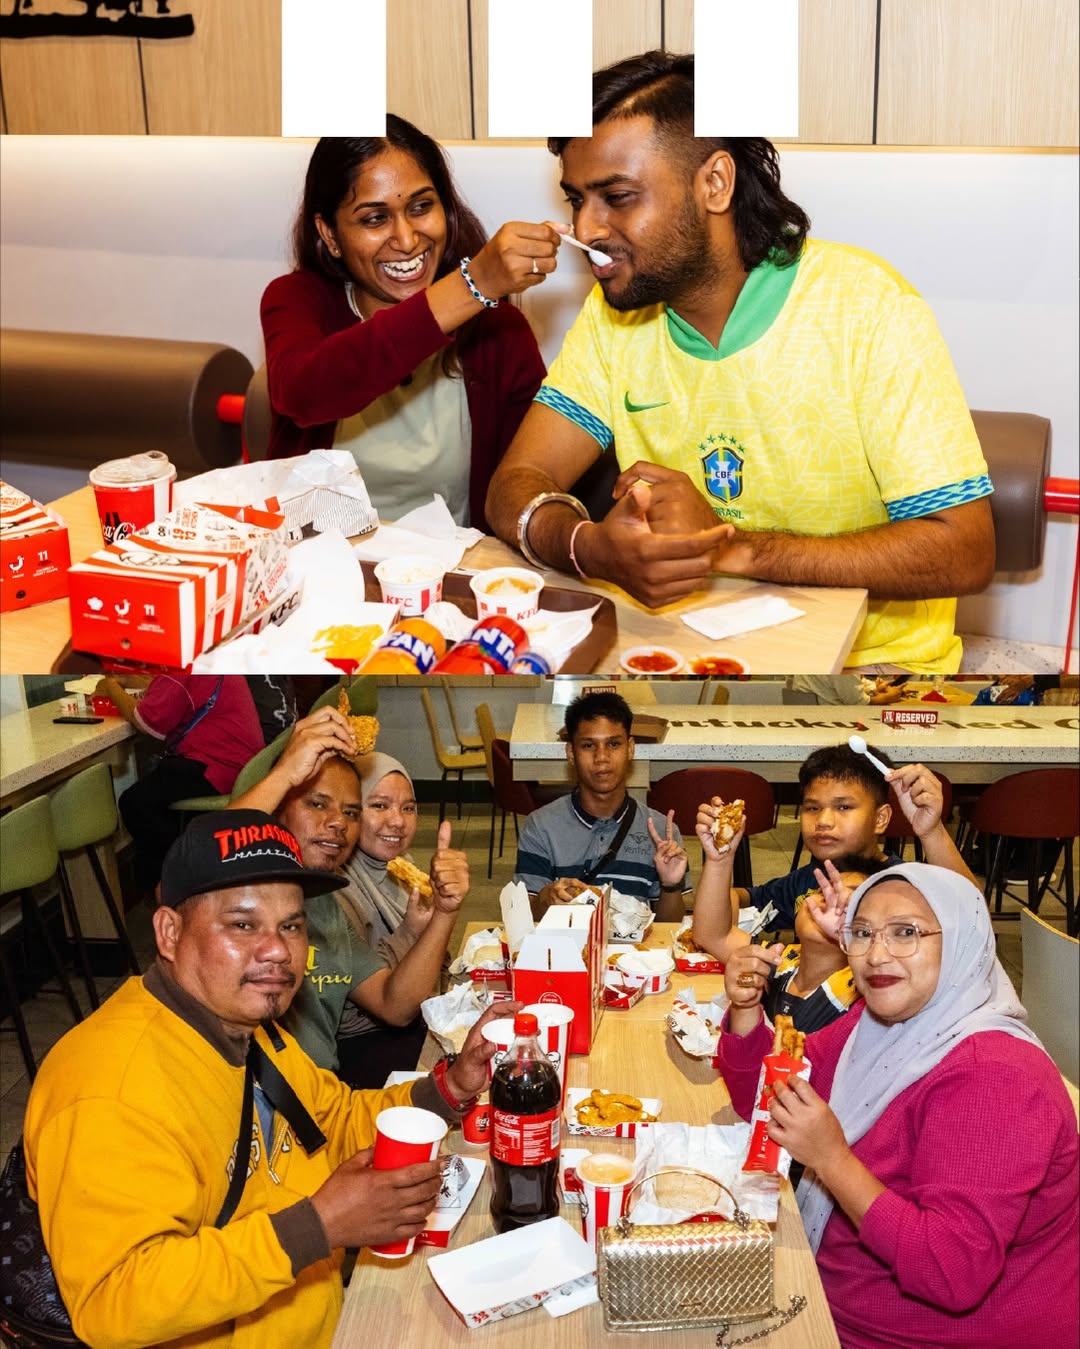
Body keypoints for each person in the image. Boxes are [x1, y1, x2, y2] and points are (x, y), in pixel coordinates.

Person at [484, 50, 995, 673]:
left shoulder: (866, 306)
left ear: (715, 184)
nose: (585, 228)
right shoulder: (614, 318)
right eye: (576, 200)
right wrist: (586, 545)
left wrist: (731, 550)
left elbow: (964, 550)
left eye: (617, 197)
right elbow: (516, 482)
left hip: (872, 672)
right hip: (683, 655)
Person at [24, 809, 509, 1349]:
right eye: (242, 924)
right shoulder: (109, 1088)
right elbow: (116, 1301)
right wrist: (318, 1227)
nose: (278, 949)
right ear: (169, 931)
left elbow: (333, 1119)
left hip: (326, 1318)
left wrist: (451, 1087)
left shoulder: (246, 1024)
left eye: (292, 925)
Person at [715, 862, 1079, 1348]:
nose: (876, 954)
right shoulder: (879, 1023)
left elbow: (951, 1273)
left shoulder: (996, 1077)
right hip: (841, 1287)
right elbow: (767, 1104)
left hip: (924, 1333)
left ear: (962, 944)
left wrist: (832, 1159)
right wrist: (745, 1010)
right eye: (861, 933)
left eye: (905, 933)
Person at [261, 121, 553, 526]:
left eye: (420, 207)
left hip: (448, 577)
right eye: (374, 219)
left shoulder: (498, 330)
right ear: (329, 234)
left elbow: (527, 486)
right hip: (315, 570)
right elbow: (304, 392)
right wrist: (473, 285)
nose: (406, 239)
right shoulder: (298, 300)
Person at [229, 707, 464, 1087]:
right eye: (317, 804)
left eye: (351, 811)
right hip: (260, 1105)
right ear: (278, 809)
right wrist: (286, 772)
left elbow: (394, 1004)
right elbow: (213, 850)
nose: (338, 822)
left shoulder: (323, 903)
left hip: (325, 1095)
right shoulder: (236, 892)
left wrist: (445, 912)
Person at [693, 743, 975, 947]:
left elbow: (972, 920)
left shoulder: (903, 884)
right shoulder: (807, 880)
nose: (824, 821)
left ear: (881, 818)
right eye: (812, 808)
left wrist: (932, 831)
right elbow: (719, 926)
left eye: (843, 807)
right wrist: (720, 861)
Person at [103, 673, 296, 895]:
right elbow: (172, 688)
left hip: (218, 766)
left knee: (134, 803)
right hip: (242, 760)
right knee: (156, 785)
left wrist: (110, 686)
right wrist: (128, 681)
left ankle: (177, 879)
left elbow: (145, 722)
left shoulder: (178, 667)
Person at [513, 690, 690, 921]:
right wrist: (546, 899)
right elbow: (522, 918)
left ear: (630, 748)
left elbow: (670, 929)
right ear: (570, 753)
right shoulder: (540, 826)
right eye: (588, 746)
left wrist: (670, 886)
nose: (601, 757)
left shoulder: (661, 830)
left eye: (613, 744)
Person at [703, 853, 887, 1035]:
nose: (831, 900)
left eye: (850, 900)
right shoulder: (780, 958)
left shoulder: (864, 992)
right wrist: (719, 859)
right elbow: (713, 935)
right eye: (823, 891)